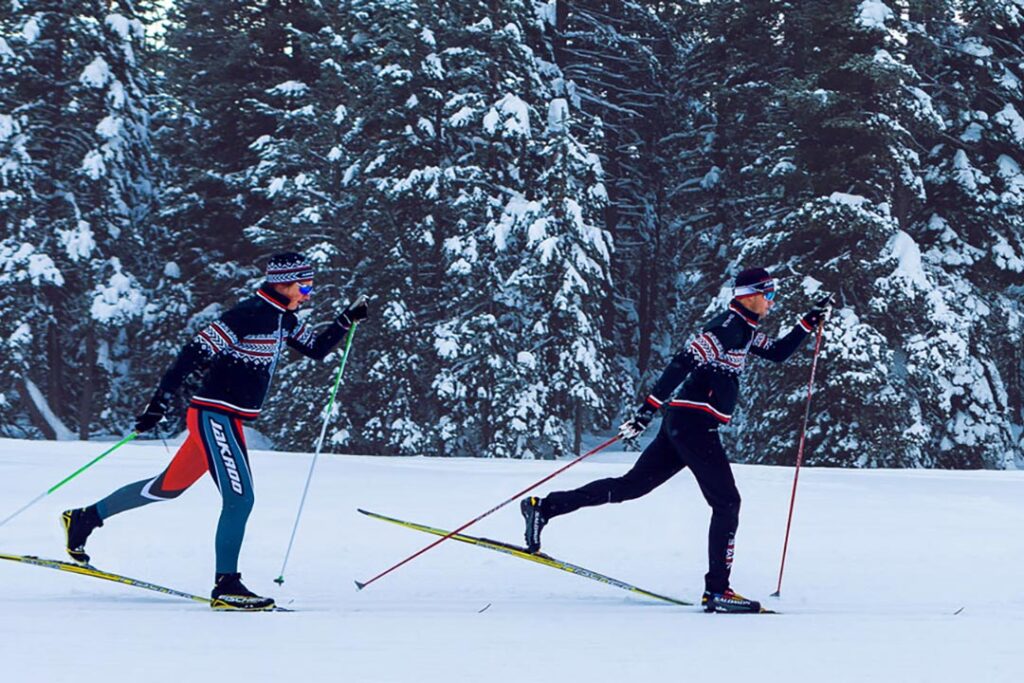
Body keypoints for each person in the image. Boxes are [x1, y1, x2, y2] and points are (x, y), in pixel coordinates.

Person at [60, 252, 368, 610]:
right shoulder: (246, 315)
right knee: (241, 498)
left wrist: (346, 319)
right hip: (213, 415)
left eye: (310, 286)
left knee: (166, 489)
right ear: (282, 284)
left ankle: (85, 518)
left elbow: (315, 348)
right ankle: (227, 585)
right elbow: (191, 355)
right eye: (303, 286)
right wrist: (158, 403)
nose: (307, 294)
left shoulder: (283, 318)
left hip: (227, 418)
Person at [520, 268, 831, 613]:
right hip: (693, 424)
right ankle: (718, 591)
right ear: (750, 295)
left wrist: (808, 322)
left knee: (630, 487)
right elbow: (682, 362)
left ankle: (544, 508)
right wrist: (647, 410)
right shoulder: (727, 328)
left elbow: (776, 352)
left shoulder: (744, 329)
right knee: (727, 503)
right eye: (769, 295)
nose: (772, 303)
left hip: (683, 423)